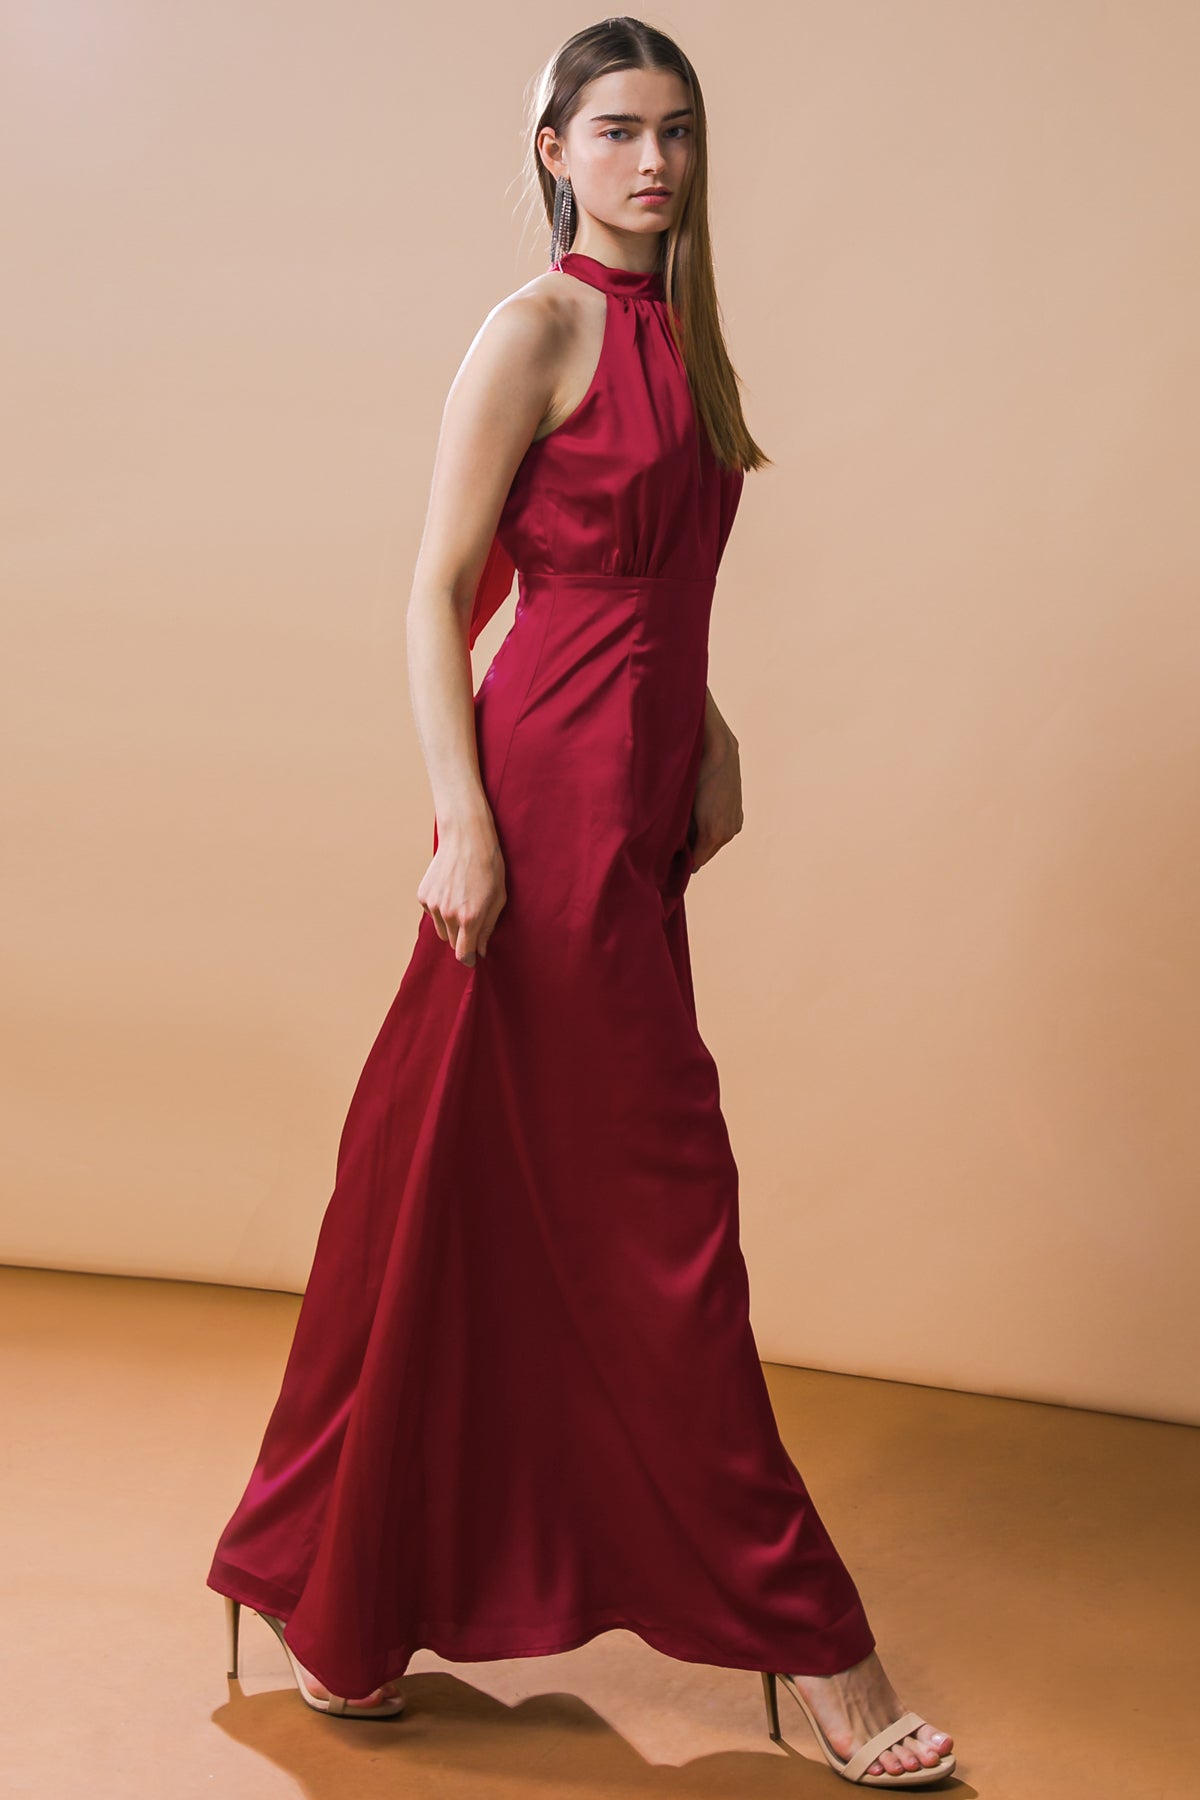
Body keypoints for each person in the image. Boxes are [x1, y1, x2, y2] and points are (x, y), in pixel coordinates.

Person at [207, 17, 958, 1789]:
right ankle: (823, 1649)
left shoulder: (682, 336)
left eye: (677, 131)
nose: (654, 162)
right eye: (617, 130)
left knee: (456, 1196)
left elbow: (648, 584)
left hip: (631, 815)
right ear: (552, 148)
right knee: (662, 1223)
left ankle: (335, 1604)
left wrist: (711, 730)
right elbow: (441, 590)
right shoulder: (533, 328)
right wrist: (465, 823)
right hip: (540, 815)